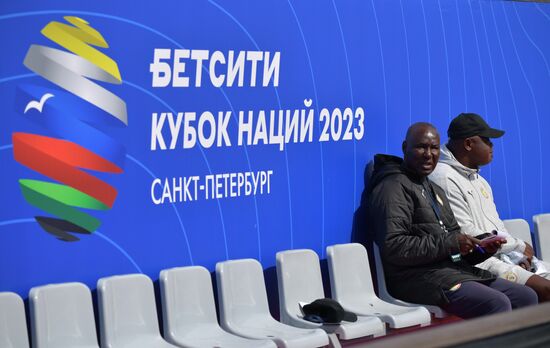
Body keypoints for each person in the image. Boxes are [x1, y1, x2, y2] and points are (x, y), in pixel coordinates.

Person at [364, 122, 538, 319]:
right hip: (412, 278)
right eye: (421, 147)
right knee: (496, 303)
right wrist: (451, 243)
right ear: (405, 148)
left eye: (434, 148)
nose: (428, 154)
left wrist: (480, 249)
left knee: (525, 296)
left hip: (450, 272)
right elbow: (394, 246)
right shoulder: (392, 187)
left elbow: (454, 249)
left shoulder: (433, 189)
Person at [430, 113, 550, 302]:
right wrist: (517, 245)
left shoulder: (481, 181)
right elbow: (468, 235)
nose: (492, 146)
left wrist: (516, 255)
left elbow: (497, 226)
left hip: (500, 256)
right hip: (477, 263)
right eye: (487, 140)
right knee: (546, 290)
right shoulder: (443, 178)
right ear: (469, 144)